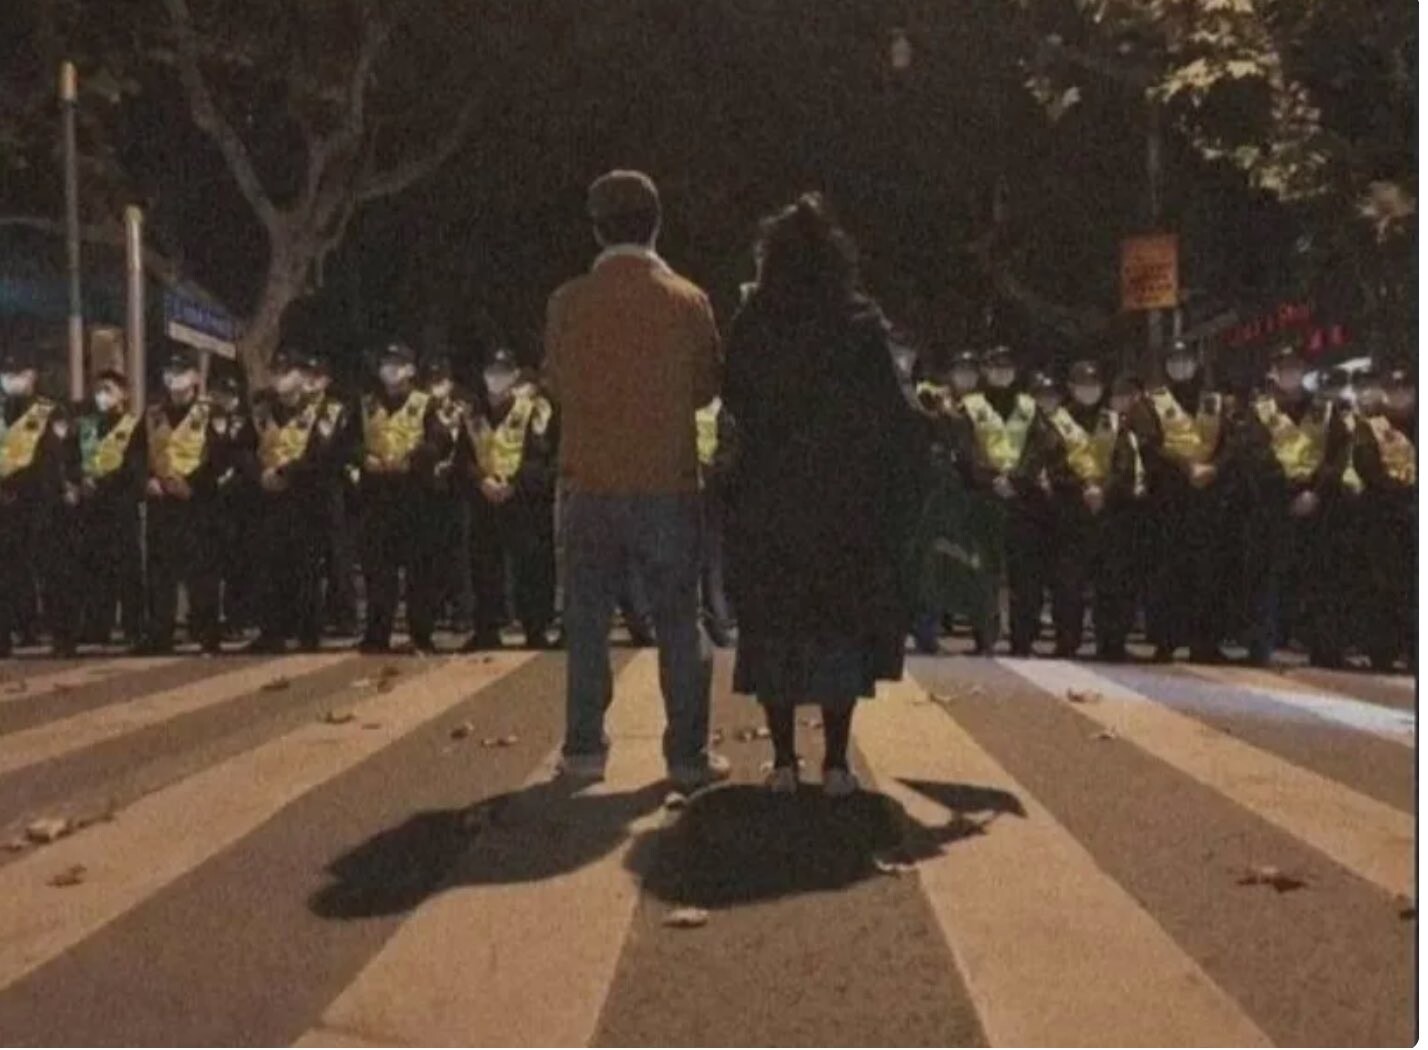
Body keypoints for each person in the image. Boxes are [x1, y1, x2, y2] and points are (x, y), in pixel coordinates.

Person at [725, 193, 921, 795]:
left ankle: (784, 760)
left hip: (771, 496)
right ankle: (836, 761)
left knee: (775, 624)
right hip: (844, 501)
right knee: (838, 625)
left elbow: (734, 395)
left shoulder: (755, 320)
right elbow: (893, 412)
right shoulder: (858, 322)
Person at [543, 168, 726, 789]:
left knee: (587, 621)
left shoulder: (568, 302)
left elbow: (557, 382)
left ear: (597, 230)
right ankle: (687, 756)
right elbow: (705, 390)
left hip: (589, 481)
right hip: (667, 483)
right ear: (657, 224)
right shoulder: (688, 300)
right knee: (679, 620)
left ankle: (584, 749)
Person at [1130, 341, 1231, 663]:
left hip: (1209, 499)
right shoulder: (1150, 404)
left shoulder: (1217, 402)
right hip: (1168, 499)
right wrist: (1187, 468)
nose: (1181, 366)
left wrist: (1214, 468)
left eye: (1186, 360)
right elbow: (1148, 445)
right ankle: (1166, 641)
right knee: (1166, 572)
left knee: (1209, 572)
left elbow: (1233, 443)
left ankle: (1206, 643)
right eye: (1175, 360)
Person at [1044, 359, 1145, 660]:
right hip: (1071, 512)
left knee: (1113, 581)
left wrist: (1104, 491)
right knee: (1068, 584)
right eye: (1082, 385)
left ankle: (1112, 642)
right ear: (1071, 387)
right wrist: (1082, 488)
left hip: (1108, 513)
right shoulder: (1058, 422)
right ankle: (1067, 641)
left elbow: (1125, 465)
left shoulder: (1114, 422)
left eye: (1094, 385)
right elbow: (1053, 464)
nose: (1089, 390)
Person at [358, 342, 453, 654]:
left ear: (410, 370)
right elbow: (349, 443)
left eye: (397, 363)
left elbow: (440, 442)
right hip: (377, 494)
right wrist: (363, 459)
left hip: (414, 494)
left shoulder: (426, 404)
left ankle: (421, 634)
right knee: (378, 569)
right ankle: (377, 634)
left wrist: (412, 460)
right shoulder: (367, 404)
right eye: (386, 362)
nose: (390, 369)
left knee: (419, 570)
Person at [962, 344, 1055, 656]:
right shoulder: (971, 406)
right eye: (995, 367)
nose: (1001, 373)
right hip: (984, 498)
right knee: (982, 570)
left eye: (1007, 367)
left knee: (1025, 574)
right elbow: (966, 450)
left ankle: (1022, 638)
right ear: (985, 370)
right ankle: (984, 635)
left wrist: (1017, 479)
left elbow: (1041, 447)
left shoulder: (1029, 407)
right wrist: (990, 479)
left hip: (1022, 498)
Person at [465, 348, 558, 650]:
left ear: (515, 376)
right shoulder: (472, 414)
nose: (496, 378)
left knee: (530, 565)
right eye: (491, 371)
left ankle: (535, 629)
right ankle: (486, 629)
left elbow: (540, 456)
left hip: (521, 499)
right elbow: (463, 457)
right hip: (484, 498)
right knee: (484, 567)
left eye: (503, 372)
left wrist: (515, 484)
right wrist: (480, 480)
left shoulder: (532, 411)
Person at [910, 350, 999, 655]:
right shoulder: (931, 399)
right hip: (937, 495)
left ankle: (984, 633)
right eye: (960, 370)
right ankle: (926, 630)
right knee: (931, 563)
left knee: (976, 565)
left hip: (975, 495)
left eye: (971, 371)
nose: (966, 377)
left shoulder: (985, 408)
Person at [246, 349, 336, 652]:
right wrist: (259, 474)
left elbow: (322, 454)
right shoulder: (261, 411)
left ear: (301, 376)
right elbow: (243, 448)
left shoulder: (322, 411)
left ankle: (308, 633)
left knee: (306, 567)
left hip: (304, 497)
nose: (281, 378)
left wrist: (287, 472)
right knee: (269, 566)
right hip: (267, 497)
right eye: (276, 372)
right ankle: (271, 632)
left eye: (287, 372)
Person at [138, 348, 225, 654]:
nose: (174, 379)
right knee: (160, 572)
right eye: (170, 373)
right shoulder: (153, 414)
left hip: (196, 503)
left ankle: (206, 634)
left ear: (195, 378)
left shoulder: (211, 413)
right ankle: (160, 633)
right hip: (162, 502)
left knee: (201, 571)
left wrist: (194, 487)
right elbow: (135, 455)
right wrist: (147, 480)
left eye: (181, 372)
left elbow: (220, 457)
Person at [0, 346, 79, 657]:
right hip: (5, 506)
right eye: (6, 373)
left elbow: (57, 458)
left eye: (17, 373)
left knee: (51, 572)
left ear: (32, 375)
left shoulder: (50, 412)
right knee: (7, 573)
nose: (10, 379)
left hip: (40, 503)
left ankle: (63, 638)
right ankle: (9, 635)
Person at [74, 368, 146, 646]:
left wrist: (102, 485)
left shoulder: (134, 426)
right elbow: (73, 458)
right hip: (91, 509)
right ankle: (97, 625)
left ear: (123, 394)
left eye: (108, 390)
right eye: (98, 390)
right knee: (95, 568)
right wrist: (79, 481)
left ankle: (133, 627)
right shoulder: (86, 426)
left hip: (120, 506)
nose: (102, 396)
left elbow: (134, 468)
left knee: (127, 569)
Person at [1350, 364, 1415, 670]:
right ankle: (1383, 651)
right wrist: (1401, 494)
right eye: (1393, 390)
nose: (1399, 396)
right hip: (1383, 515)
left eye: (1405, 389)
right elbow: (1367, 467)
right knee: (1381, 585)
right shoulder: (1371, 427)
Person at [418, 355, 473, 638]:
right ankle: (435, 607)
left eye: (440, 380)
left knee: (459, 551)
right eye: (431, 381)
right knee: (431, 552)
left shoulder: (464, 407)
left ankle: (462, 611)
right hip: (428, 488)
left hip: (457, 487)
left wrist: (453, 465)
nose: (435, 386)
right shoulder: (421, 408)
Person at [306, 355, 360, 636]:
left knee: (337, 554)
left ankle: (344, 616)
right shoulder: (292, 407)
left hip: (332, 487)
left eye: (316, 376)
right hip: (302, 488)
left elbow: (336, 447)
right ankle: (308, 618)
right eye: (306, 375)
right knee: (305, 557)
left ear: (326, 380)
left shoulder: (335, 409)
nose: (310, 381)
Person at [695, 393, 737, 648]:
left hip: (709, 481)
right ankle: (713, 618)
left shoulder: (718, 407)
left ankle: (717, 617)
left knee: (711, 554)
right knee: (707, 554)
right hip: (691, 478)